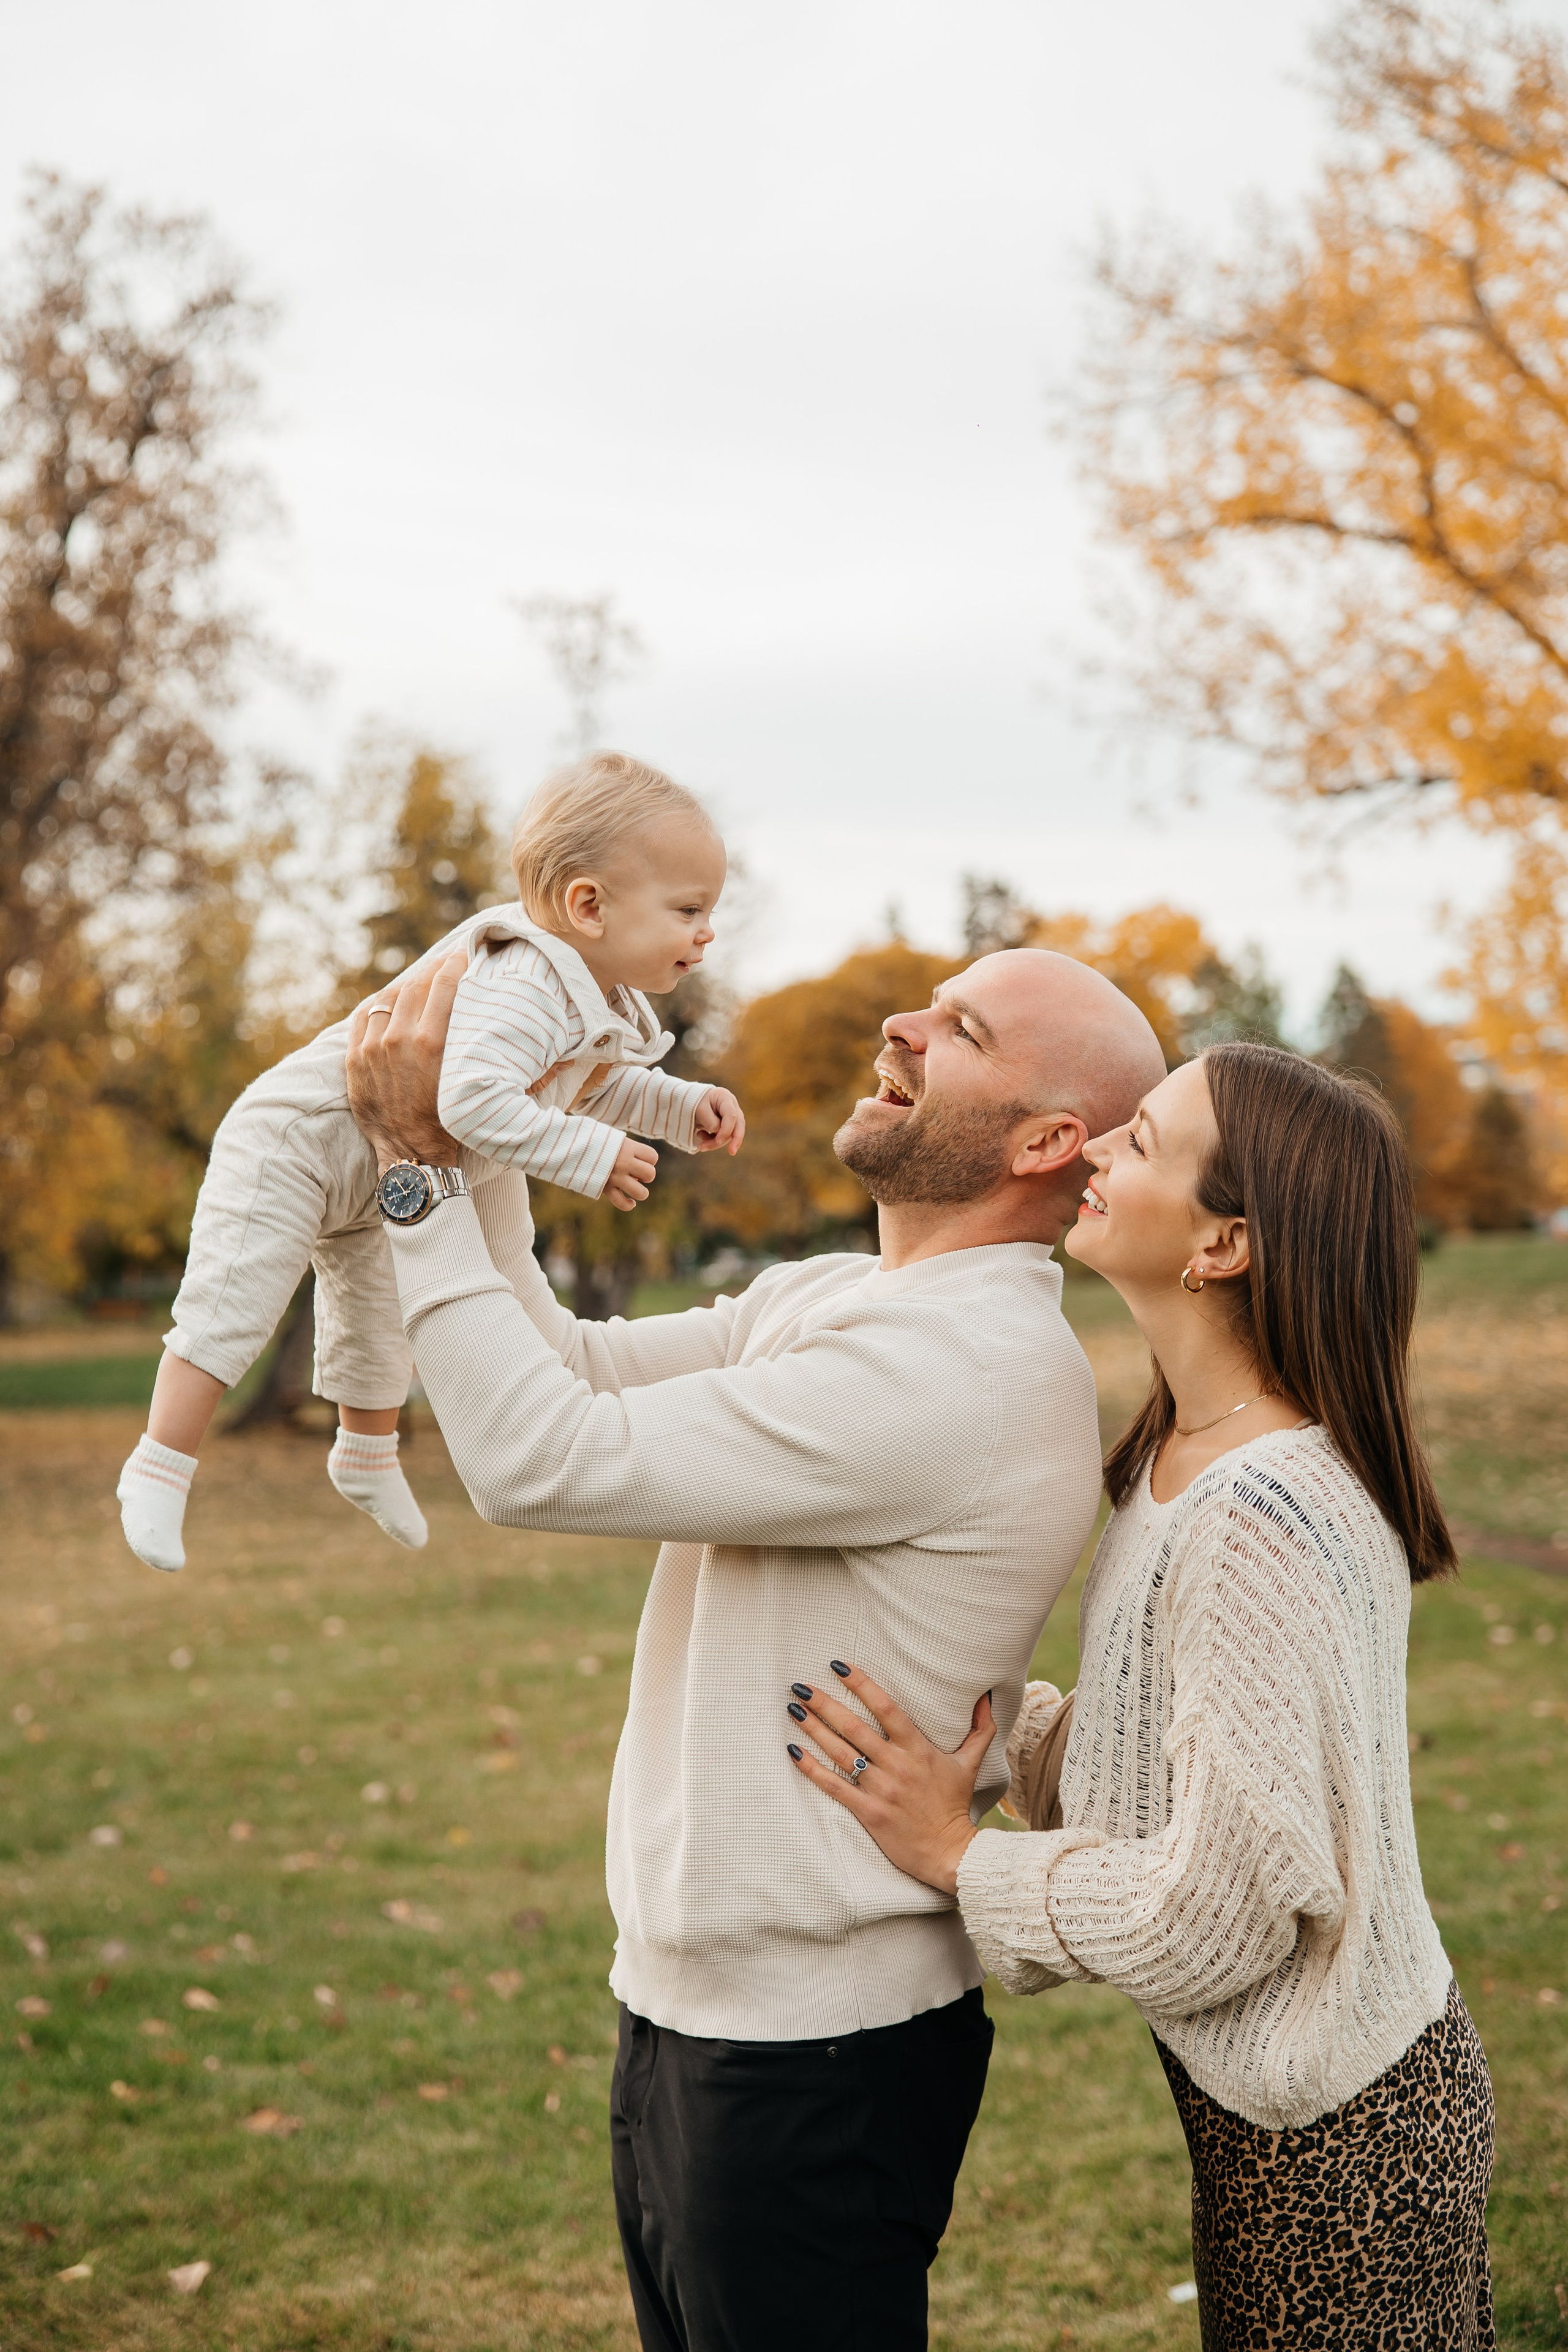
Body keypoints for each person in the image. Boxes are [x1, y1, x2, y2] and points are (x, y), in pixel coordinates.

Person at [342, 944, 1168, 2352]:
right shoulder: (840, 1299)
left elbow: (537, 1461)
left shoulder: (957, 1371)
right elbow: (575, 1368)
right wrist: (478, 1135)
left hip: (811, 2061)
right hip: (685, 2016)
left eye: (959, 1029)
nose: (901, 1023)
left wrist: (416, 1174)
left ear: (1044, 1142)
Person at [786, 1042, 1494, 2351]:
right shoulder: (1181, 1451)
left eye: (1143, 1142)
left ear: (1221, 1244)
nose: (1100, 1147)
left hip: (1344, 2147)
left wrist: (962, 1858)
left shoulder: (1254, 1516)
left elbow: (1219, 1915)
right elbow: (1173, 1757)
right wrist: (992, 1722)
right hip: (1286, 2117)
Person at [115, 752, 744, 1572]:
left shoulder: (596, 996)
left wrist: (680, 1109)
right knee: (235, 1302)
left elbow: (590, 1086)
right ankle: (159, 1464)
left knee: (378, 1318)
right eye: (689, 908)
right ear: (589, 906)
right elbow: (470, 1101)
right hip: (298, 1142)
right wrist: (589, 1158)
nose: (707, 931)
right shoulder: (525, 979)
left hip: (378, 1162)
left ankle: (366, 1458)